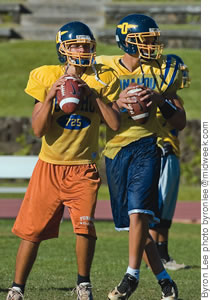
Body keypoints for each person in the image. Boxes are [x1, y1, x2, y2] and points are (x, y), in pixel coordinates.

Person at [6, 21, 121, 300]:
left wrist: (94, 96)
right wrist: (49, 97)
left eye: (86, 44)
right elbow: (37, 129)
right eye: (75, 45)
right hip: (49, 166)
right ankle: (17, 288)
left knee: (84, 227)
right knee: (31, 232)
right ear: (63, 48)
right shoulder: (46, 75)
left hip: (83, 168)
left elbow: (115, 124)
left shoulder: (104, 79)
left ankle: (83, 284)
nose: (82, 49)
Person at [96, 14, 186, 300]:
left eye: (153, 40)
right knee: (134, 225)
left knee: (139, 213)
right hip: (115, 151)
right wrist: (115, 104)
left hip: (149, 146)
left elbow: (180, 121)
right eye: (145, 40)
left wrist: (160, 100)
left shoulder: (161, 70)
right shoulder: (106, 69)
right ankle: (164, 280)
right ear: (126, 41)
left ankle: (131, 275)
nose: (151, 45)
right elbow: (100, 117)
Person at [149, 54, 191, 270]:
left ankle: (163, 254)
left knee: (167, 209)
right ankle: (156, 256)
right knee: (159, 205)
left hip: (171, 152)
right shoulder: (159, 98)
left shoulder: (175, 98)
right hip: (162, 152)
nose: (182, 76)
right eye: (179, 71)